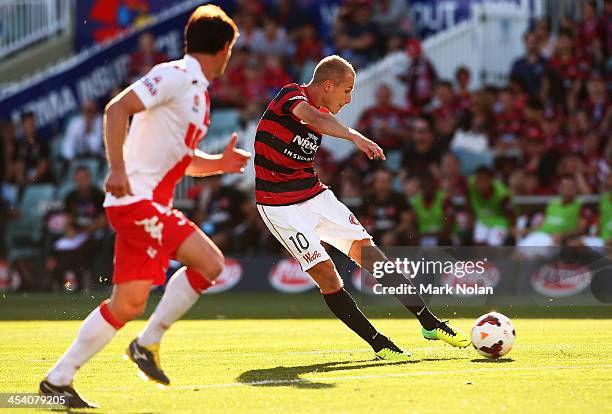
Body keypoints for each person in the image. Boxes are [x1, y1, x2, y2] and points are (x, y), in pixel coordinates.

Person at [40, 6, 250, 408]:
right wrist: (116, 169)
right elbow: (117, 108)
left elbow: (183, 157)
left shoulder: (198, 95)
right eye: (231, 49)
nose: (230, 57)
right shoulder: (174, 75)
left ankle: (57, 381)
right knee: (211, 263)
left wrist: (219, 164)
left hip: (143, 203)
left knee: (128, 304)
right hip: (138, 201)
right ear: (224, 48)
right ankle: (147, 344)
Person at [254, 55, 470, 362]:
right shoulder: (292, 95)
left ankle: (429, 323)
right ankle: (379, 343)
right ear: (327, 85)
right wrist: (355, 136)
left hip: (314, 195)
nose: (350, 98)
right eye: (347, 90)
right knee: (328, 276)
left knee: (370, 254)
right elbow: (313, 119)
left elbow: (320, 120)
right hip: (279, 206)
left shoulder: (323, 112)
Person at [49, 166, 106, 292]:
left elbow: (103, 221)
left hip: (94, 234)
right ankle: (60, 282)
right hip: (76, 234)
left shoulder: (98, 195)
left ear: (89, 178)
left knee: (83, 248)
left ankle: (78, 282)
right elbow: (68, 218)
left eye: (83, 178)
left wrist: (84, 232)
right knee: (56, 245)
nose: (81, 181)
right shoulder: (71, 197)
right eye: (78, 178)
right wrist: (69, 230)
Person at [517, 175, 591, 258]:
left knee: (537, 257)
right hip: (540, 234)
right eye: (564, 186)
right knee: (517, 255)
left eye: (570, 186)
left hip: (556, 239)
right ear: (559, 188)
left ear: (576, 189)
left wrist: (563, 235)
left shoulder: (580, 205)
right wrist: (525, 230)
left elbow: (582, 228)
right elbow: (542, 225)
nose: (567, 189)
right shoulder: (552, 204)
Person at [467, 166, 514, 246]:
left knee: (494, 245)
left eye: (483, 180)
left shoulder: (502, 193)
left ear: (490, 180)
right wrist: (470, 218)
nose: (480, 184)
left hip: (499, 222)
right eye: (478, 180)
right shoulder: (471, 185)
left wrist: (512, 227)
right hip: (482, 220)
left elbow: (510, 213)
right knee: (479, 243)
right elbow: (467, 200)